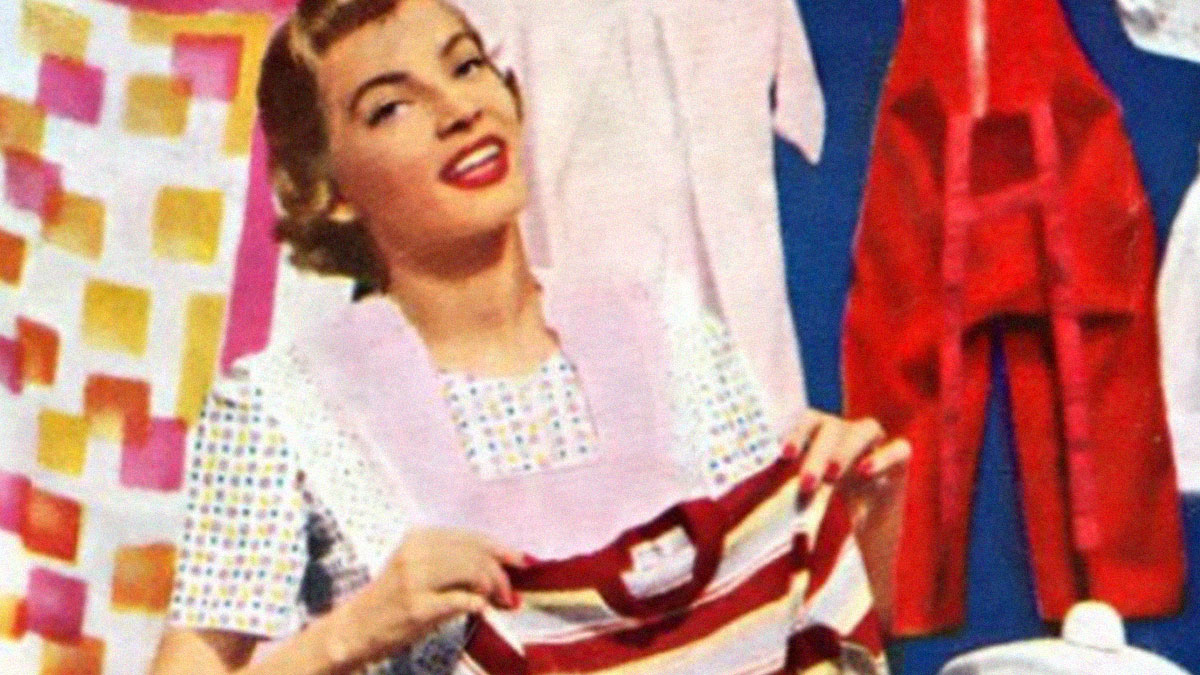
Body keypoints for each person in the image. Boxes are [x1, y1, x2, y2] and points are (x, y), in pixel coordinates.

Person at [149, 0, 907, 671]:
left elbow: (787, 638)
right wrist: (351, 635)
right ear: (331, 188)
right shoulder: (281, 410)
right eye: (391, 108)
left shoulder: (671, 336)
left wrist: (865, 522)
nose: (459, 110)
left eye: (467, 66)